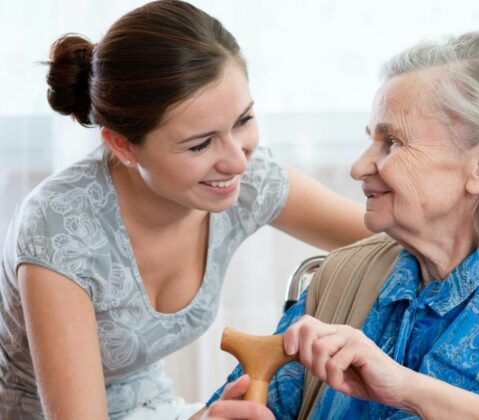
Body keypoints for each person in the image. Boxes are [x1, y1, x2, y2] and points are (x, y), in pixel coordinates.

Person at [0, 1, 372, 419]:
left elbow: (389, 235)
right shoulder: (58, 229)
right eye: (200, 144)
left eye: (243, 120)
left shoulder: (248, 180)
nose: (237, 161)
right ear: (122, 145)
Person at [202, 30, 479, 418]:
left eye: (392, 141)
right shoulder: (342, 277)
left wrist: (407, 389)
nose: (358, 167)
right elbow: (230, 409)